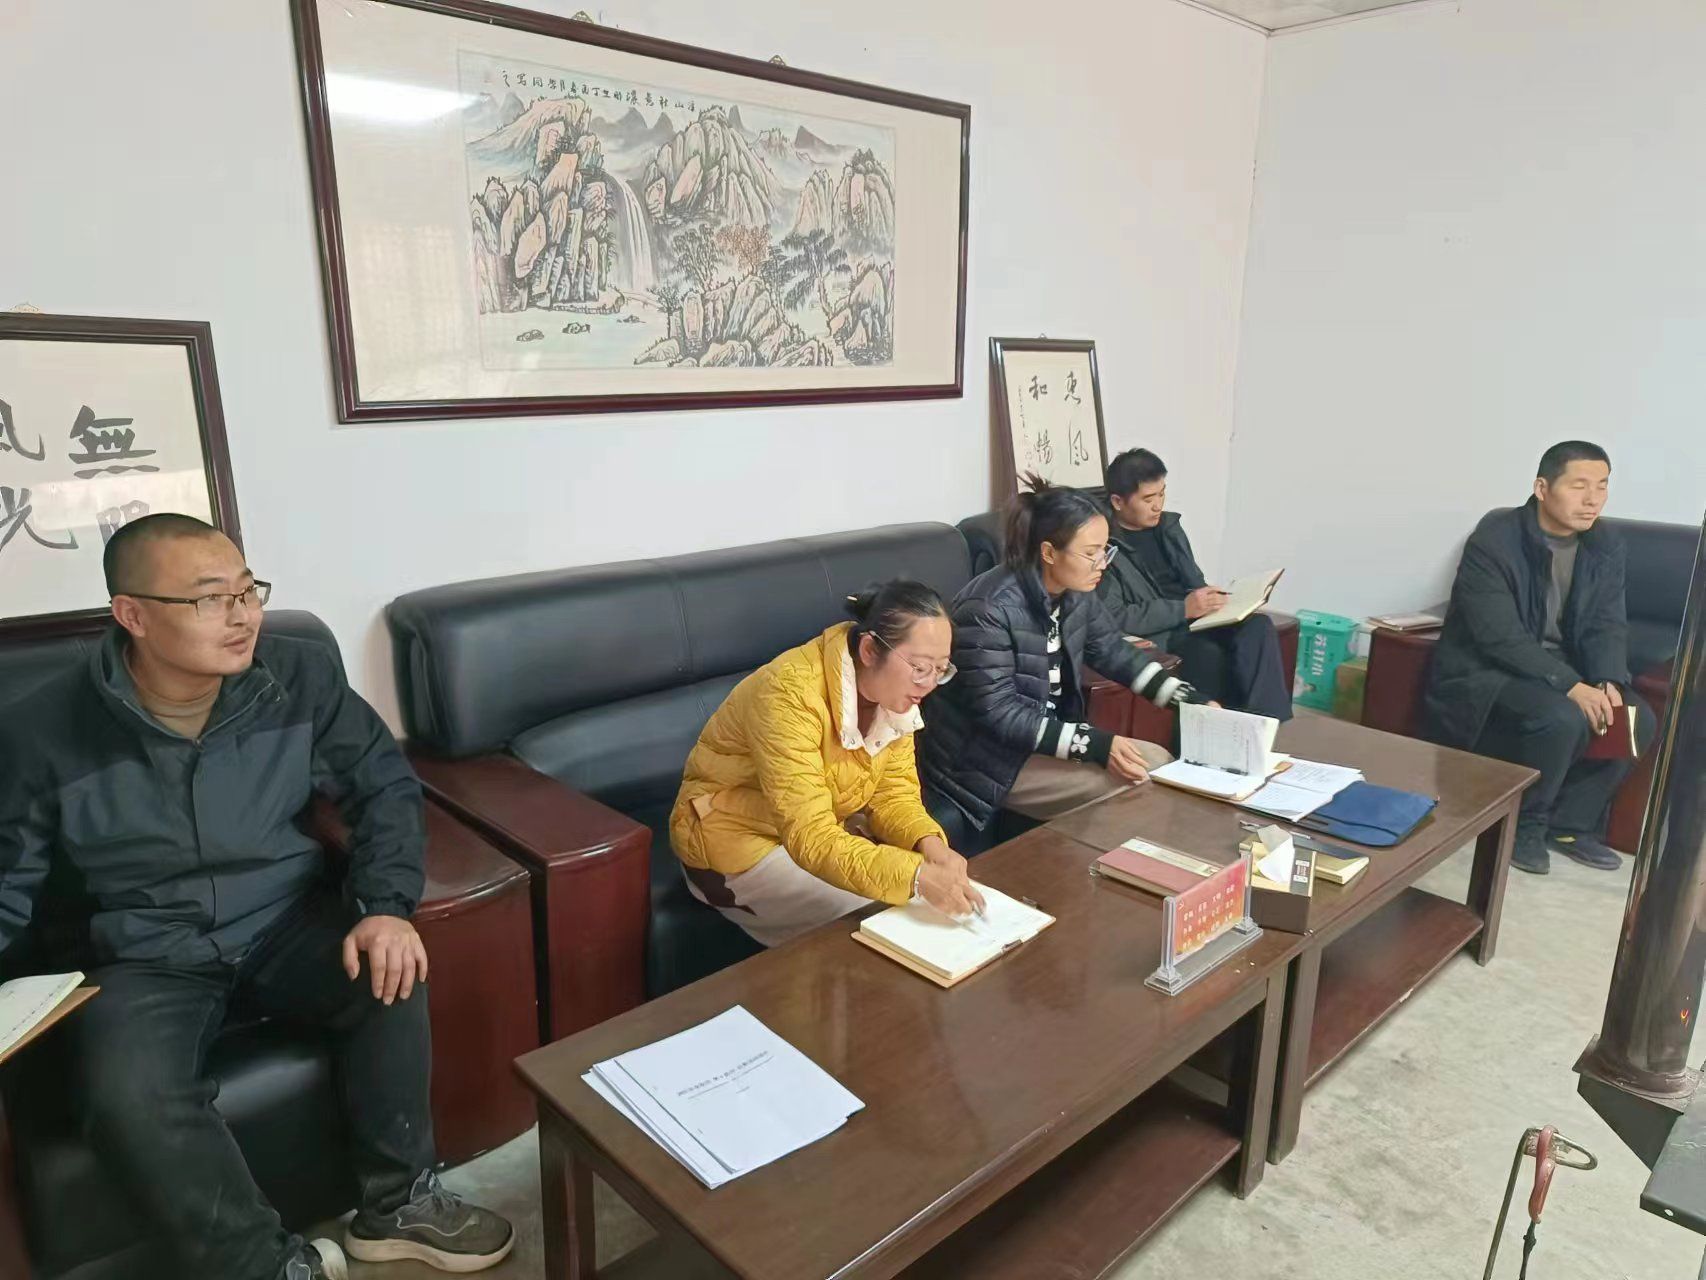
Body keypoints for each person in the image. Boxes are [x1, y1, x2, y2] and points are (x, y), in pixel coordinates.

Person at [0, 514, 513, 1280]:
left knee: (389, 975)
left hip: (282, 918)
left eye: (248, 591)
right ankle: (262, 1266)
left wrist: (384, 905)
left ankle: (399, 1205)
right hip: (141, 955)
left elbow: (383, 787)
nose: (242, 616)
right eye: (210, 599)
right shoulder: (41, 731)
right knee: (126, 1089)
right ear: (132, 614)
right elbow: (9, 880)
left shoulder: (297, 677)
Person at [670, 580, 984, 946]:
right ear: (870, 650)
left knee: (929, 904)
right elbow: (811, 835)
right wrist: (914, 875)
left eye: (941, 670)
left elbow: (894, 794)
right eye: (919, 667)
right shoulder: (788, 694)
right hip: (733, 840)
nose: (928, 684)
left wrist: (929, 844)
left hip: (815, 827)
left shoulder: (895, 697)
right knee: (884, 919)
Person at [1425, 442, 1655, 875]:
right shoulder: (1495, 541)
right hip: (1488, 669)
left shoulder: (1604, 543)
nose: (1592, 500)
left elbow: (1607, 622)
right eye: (1579, 486)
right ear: (1542, 488)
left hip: (1564, 665)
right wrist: (1571, 685)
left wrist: (1608, 680)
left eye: (1602, 486)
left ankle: (1571, 826)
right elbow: (1497, 636)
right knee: (1561, 717)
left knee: (1634, 717)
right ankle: (1524, 826)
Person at [919, 479, 1174, 845]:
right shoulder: (988, 609)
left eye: (1105, 550)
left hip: (1043, 739)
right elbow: (1000, 714)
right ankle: (1087, 874)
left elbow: (1114, 652)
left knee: (1159, 761)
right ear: (1050, 552)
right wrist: (1097, 745)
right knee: (1130, 783)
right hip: (987, 759)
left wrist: (1188, 701)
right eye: (1091, 553)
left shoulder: (1074, 593)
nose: (1102, 564)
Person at [1095, 448, 1293, 721]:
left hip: (1197, 618)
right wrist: (1183, 609)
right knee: (1206, 654)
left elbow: (1193, 581)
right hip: (1163, 631)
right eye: (1148, 499)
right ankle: (1211, 732)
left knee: (1258, 626)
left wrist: (1213, 597)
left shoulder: (1168, 527)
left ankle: (1263, 724)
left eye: (1162, 494)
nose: (1158, 505)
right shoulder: (1104, 545)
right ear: (1118, 502)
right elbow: (1117, 616)